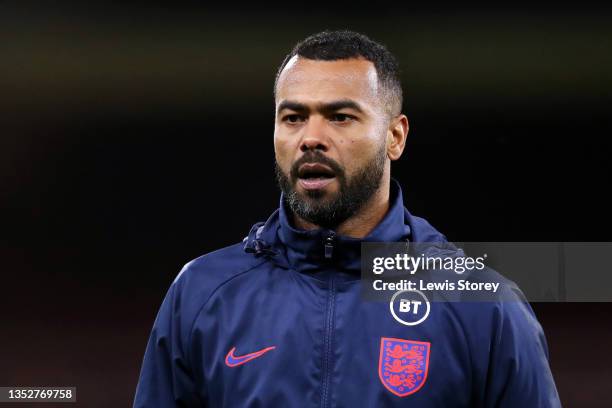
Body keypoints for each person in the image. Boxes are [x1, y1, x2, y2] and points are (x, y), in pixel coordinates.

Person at [133, 30, 561, 407]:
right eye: (293, 117)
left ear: (395, 137)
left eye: (340, 117)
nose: (311, 139)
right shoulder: (202, 293)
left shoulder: (481, 304)